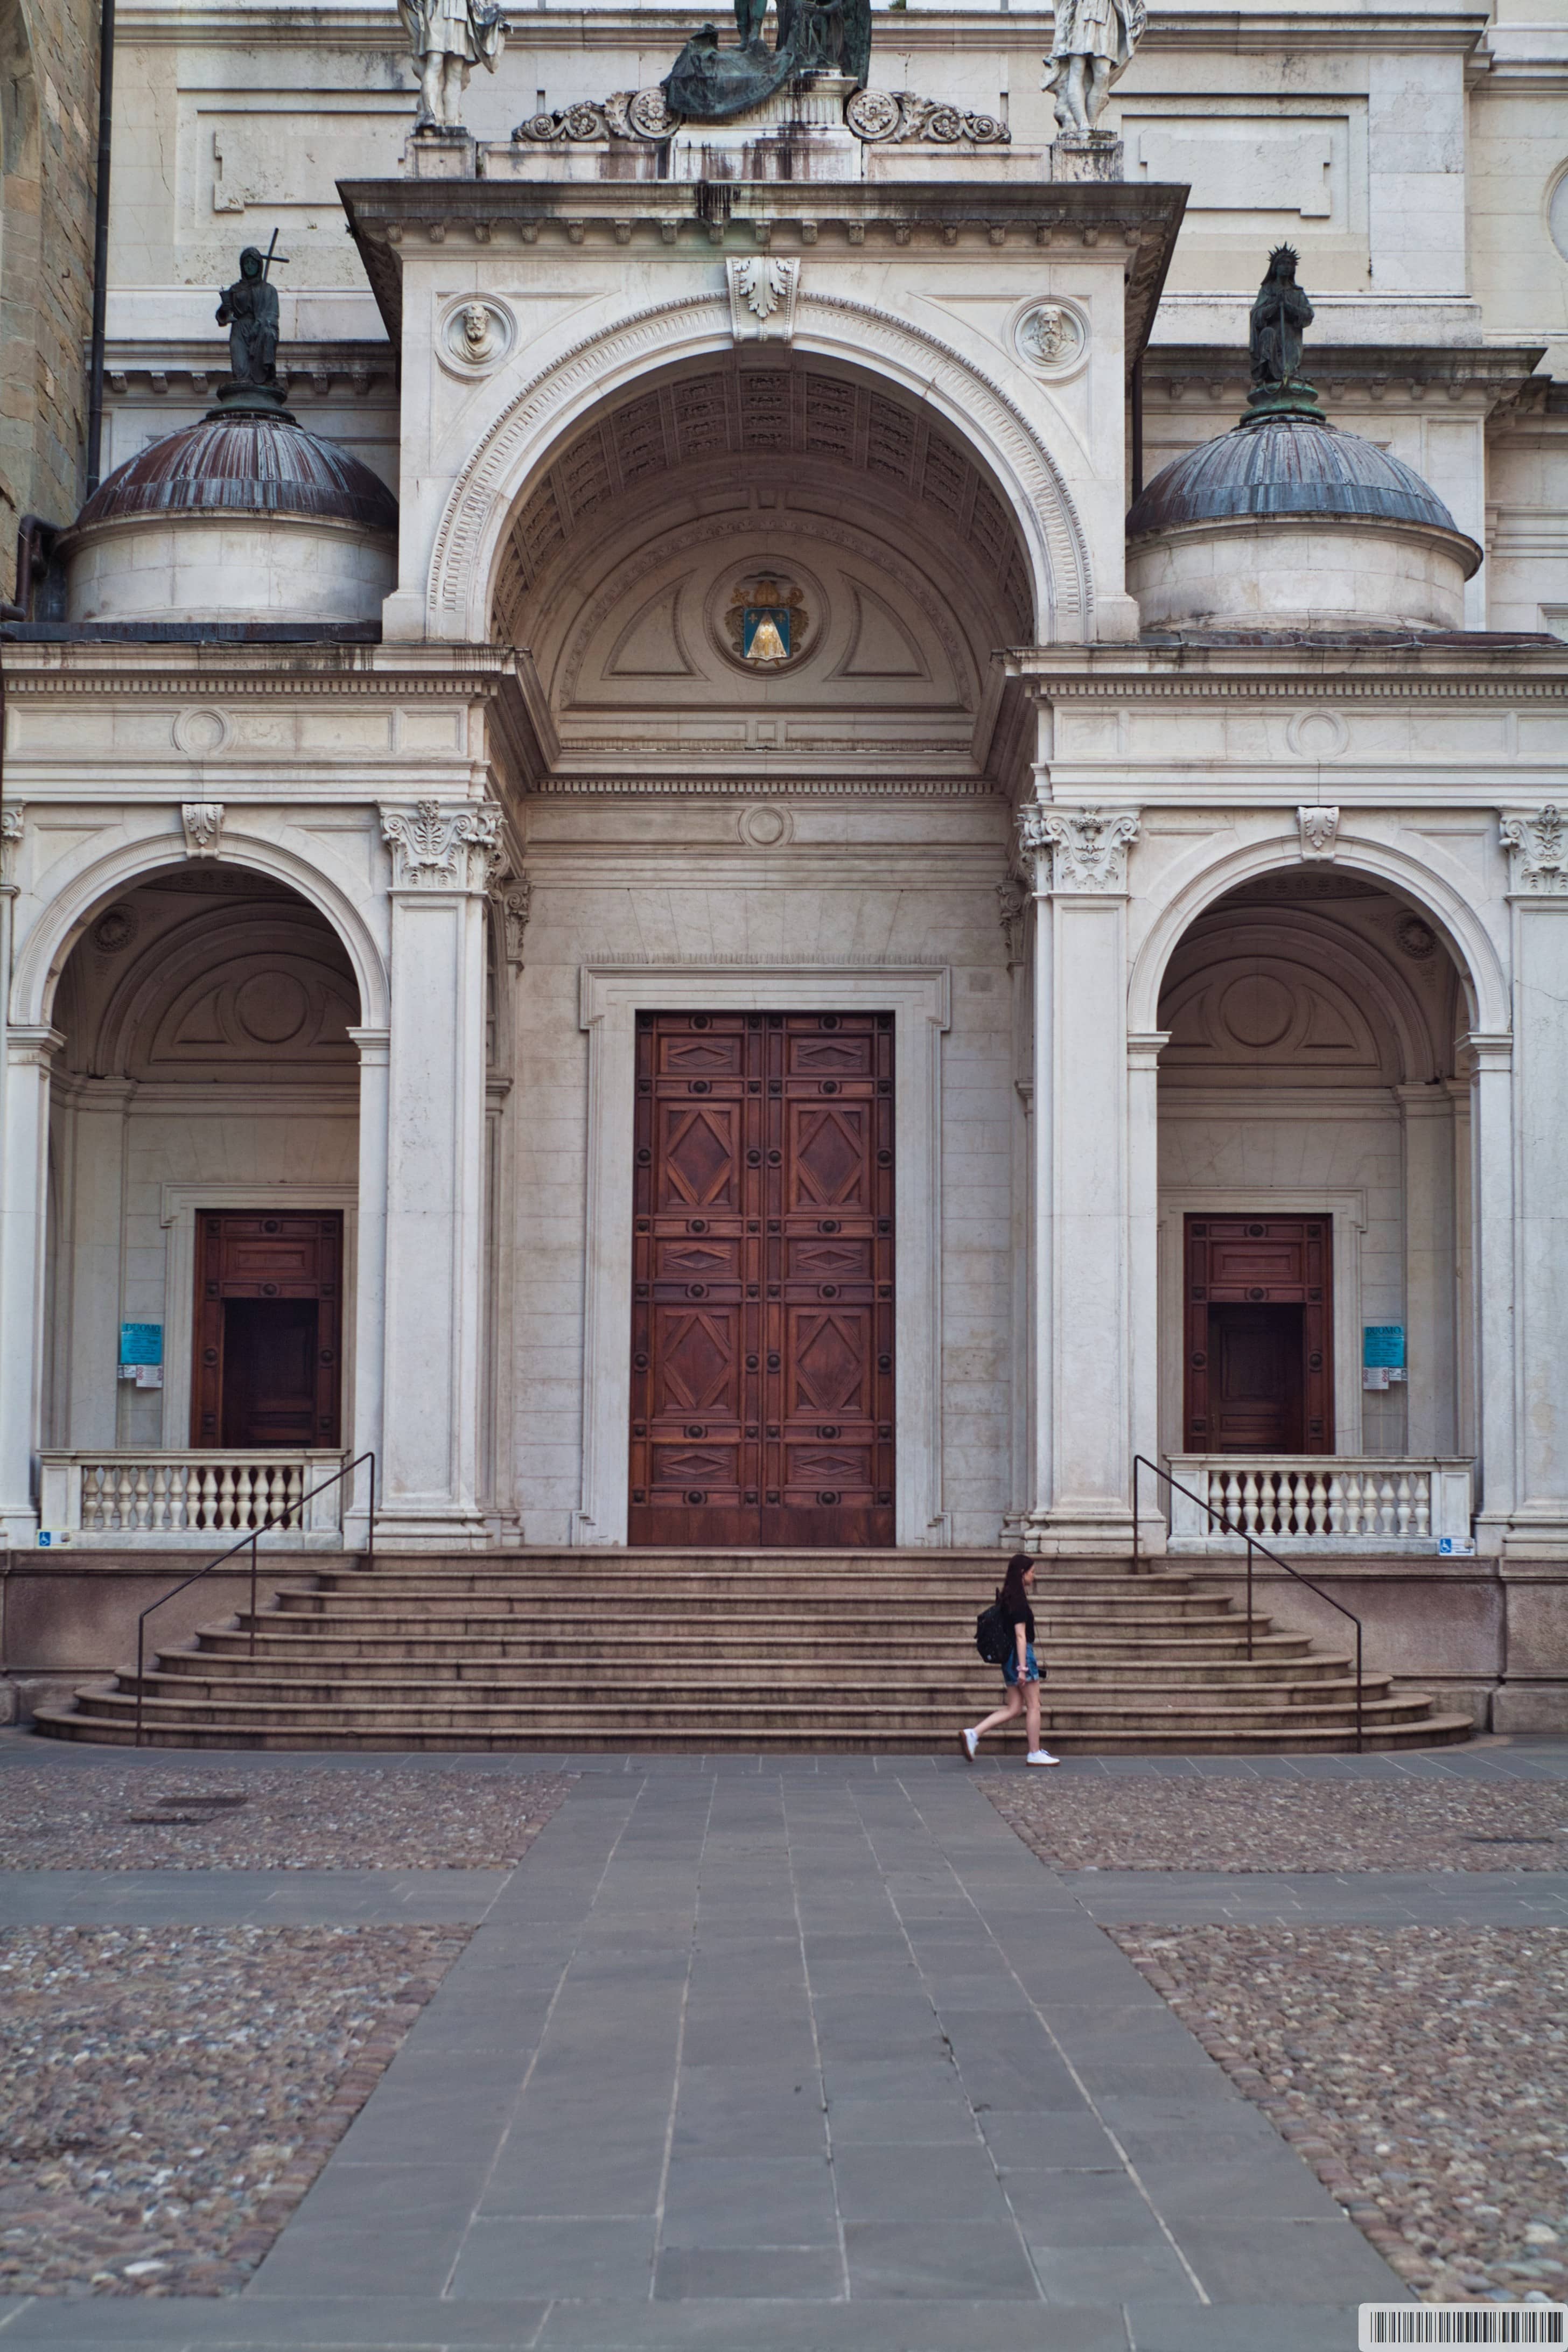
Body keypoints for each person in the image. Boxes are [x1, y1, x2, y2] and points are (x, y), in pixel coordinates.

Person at [961, 1554, 1059, 1765]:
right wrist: (1023, 1668)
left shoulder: (1008, 1597)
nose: (1034, 1576)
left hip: (1008, 1659)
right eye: (1032, 1572)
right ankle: (1034, 1752)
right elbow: (1020, 1636)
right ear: (1022, 1574)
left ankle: (974, 1734)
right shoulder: (1019, 1601)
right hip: (1021, 1656)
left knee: (1014, 1708)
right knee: (1034, 1705)